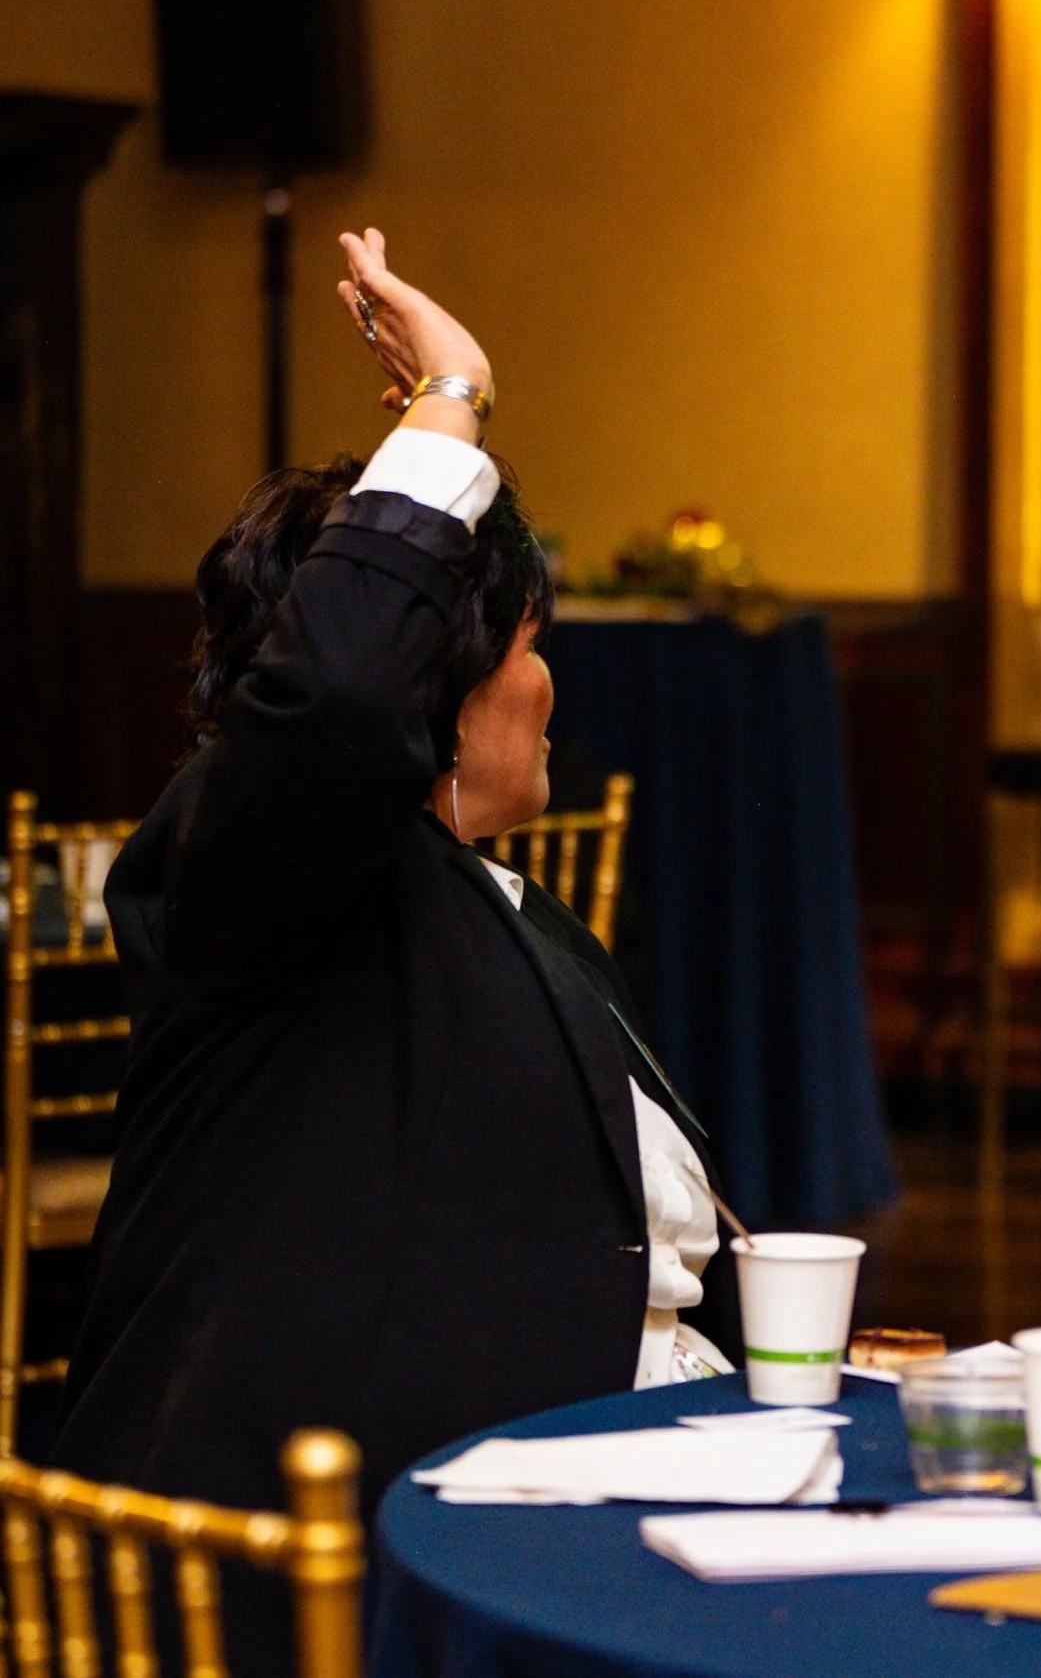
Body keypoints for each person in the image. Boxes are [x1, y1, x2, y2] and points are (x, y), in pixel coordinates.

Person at [52, 234, 741, 1600]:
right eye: (531, 645)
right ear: (450, 679)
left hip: (600, 1507)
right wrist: (453, 396)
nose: (551, 687)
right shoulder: (270, 867)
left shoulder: (526, 919)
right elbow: (342, 700)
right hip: (334, 1581)